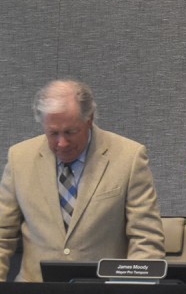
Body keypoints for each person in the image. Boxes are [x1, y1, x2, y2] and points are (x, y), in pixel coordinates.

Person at [0, 80, 165, 282]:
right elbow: (2, 235)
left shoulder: (129, 158)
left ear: (90, 119)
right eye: (53, 133)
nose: (62, 143)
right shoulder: (19, 158)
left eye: (70, 132)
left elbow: (146, 239)